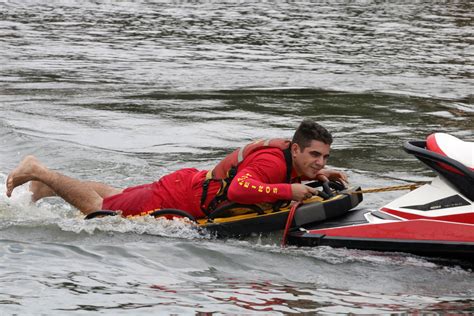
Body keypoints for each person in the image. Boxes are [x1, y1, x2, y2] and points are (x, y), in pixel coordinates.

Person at [5, 119, 347, 218]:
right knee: (102, 210)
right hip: (181, 198)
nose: (320, 162)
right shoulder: (272, 159)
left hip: (188, 186)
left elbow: (273, 178)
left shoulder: (292, 159)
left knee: (121, 195)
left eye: (326, 158)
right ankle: (40, 171)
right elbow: (239, 190)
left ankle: (47, 188)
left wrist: (314, 176)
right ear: (297, 147)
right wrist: (291, 191)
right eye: (315, 156)